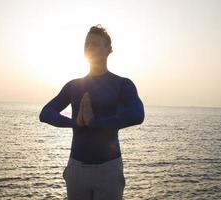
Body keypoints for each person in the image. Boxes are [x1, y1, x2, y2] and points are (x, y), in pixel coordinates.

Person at [39, 24, 145, 200]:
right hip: (76, 167)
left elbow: (137, 114)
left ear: (108, 50)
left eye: (95, 43)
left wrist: (95, 122)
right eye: (87, 44)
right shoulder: (74, 86)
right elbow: (45, 113)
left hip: (109, 168)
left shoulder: (122, 84)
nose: (89, 47)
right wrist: (76, 122)